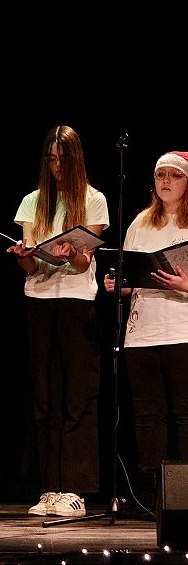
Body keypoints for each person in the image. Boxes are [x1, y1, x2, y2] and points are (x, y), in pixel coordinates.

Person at [8, 125, 109, 517]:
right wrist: (24, 255)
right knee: (45, 396)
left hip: (76, 301)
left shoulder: (93, 199)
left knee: (77, 395)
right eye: (50, 160)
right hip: (39, 299)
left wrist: (72, 253)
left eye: (62, 159)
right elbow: (32, 265)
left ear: (75, 159)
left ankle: (75, 489)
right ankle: (50, 488)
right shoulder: (32, 202)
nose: (56, 167)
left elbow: (84, 262)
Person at [103, 151, 188, 516]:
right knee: (148, 415)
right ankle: (150, 495)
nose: (166, 181)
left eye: (175, 175)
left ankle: (183, 496)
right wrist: (117, 285)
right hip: (142, 332)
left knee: (184, 413)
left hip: (181, 330)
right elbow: (133, 274)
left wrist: (184, 285)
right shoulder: (141, 223)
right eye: (160, 175)